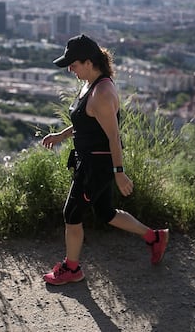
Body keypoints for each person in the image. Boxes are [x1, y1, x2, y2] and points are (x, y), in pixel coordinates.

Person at [41, 34, 169, 286]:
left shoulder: (102, 92)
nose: (70, 69)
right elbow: (85, 122)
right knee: (105, 212)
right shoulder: (90, 83)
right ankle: (155, 237)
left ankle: (71, 268)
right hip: (87, 160)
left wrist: (119, 172)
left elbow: (113, 136)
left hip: (96, 166)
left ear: (88, 62)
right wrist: (61, 135)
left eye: (73, 64)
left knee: (72, 212)